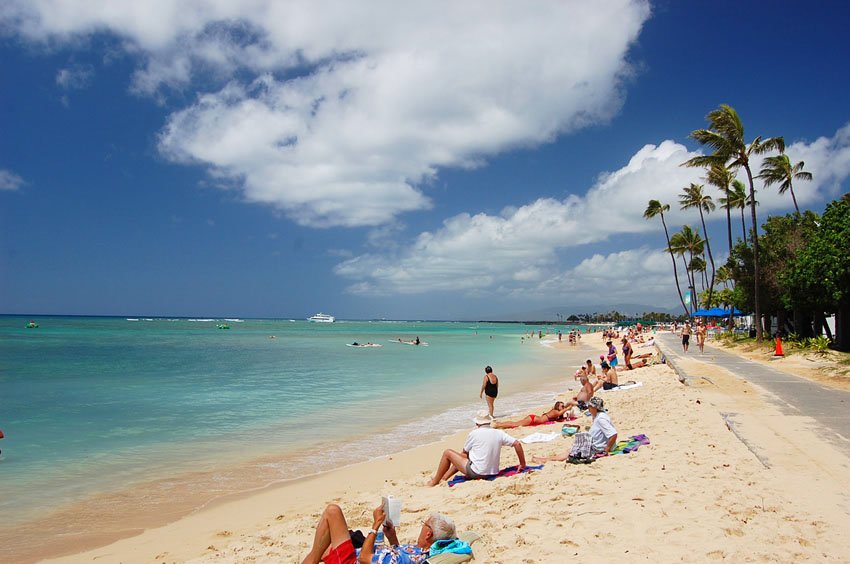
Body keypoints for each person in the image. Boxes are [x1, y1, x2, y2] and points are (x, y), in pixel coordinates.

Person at [300, 501, 457, 564]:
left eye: (425, 524)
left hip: (353, 560)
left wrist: (375, 526)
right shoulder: (420, 552)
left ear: (428, 534)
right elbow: (396, 553)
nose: (422, 526)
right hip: (356, 555)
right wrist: (392, 537)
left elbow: (365, 557)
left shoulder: (408, 558)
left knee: (333, 511)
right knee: (324, 548)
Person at [426, 410, 525, 486]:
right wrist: (522, 464)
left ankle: (435, 481)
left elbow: (464, 454)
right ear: (489, 422)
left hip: (477, 472)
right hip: (493, 472)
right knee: (461, 458)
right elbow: (517, 444)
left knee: (448, 453)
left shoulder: (474, 434)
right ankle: (444, 478)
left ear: (477, 423)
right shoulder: (499, 433)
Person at [532, 396, 618, 462]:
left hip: (598, 448)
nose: (588, 408)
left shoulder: (601, 419)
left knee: (570, 451)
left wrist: (606, 450)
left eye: (590, 407)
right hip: (597, 444)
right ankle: (548, 459)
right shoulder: (599, 416)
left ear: (595, 408)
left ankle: (546, 460)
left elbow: (613, 434)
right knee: (572, 447)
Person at [493, 401, 569, 429]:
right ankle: (498, 424)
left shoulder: (554, 412)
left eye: (563, 406)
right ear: (557, 406)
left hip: (533, 418)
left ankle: (499, 424)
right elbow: (560, 413)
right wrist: (568, 407)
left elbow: (560, 416)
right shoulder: (555, 411)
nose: (562, 407)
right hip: (534, 419)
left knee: (516, 423)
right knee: (515, 424)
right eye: (561, 406)